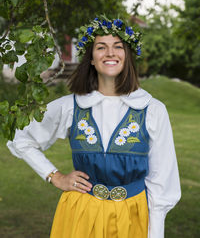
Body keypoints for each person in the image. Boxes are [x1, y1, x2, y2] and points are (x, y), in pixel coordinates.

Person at [7, 16, 181, 238]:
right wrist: (55, 176)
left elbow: (162, 181)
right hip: (81, 214)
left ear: (127, 56)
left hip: (133, 217)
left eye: (118, 46)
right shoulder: (71, 106)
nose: (110, 53)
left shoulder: (152, 109)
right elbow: (20, 137)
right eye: (101, 47)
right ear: (91, 58)